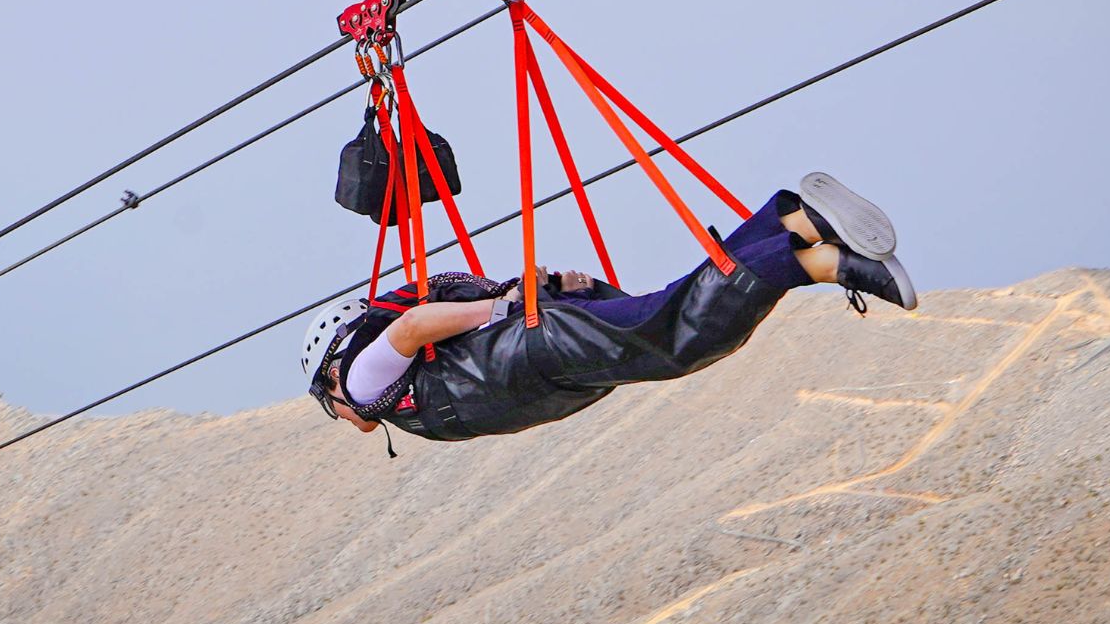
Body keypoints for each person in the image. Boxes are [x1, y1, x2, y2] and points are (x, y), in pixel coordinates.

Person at [300, 172, 915, 445]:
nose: (344, 419)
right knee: (673, 310)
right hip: (542, 351)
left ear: (331, 376)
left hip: (537, 349)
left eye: (332, 410)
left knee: (679, 338)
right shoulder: (397, 395)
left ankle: (826, 262)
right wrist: (524, 297)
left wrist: (503, 309)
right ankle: (794, 220)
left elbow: (411, 325)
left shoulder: (359, 380)